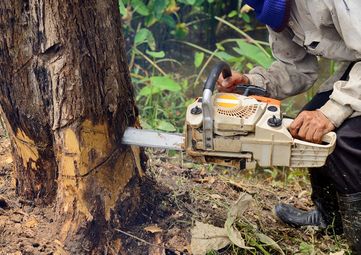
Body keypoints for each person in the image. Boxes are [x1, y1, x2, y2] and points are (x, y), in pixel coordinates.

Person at [217, 0, 361, 253]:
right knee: (308, 123)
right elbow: (297, 68)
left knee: (343, 139)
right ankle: (331, 219)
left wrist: (334, 112)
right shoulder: (273, 10)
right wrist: (254, 83)